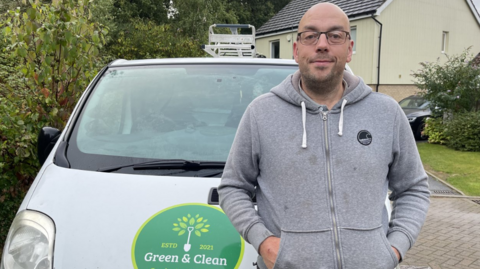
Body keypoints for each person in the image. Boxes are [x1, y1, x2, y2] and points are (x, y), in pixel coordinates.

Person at [218, 3, 430, 269]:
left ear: (349, 48)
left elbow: (413, 188)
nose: (322, 45)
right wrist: (264, 242)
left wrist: (394, 248)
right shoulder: (261, 113)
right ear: (296, 50)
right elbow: (233, 187)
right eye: (310, 36)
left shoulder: (386, 112)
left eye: (335, 35)